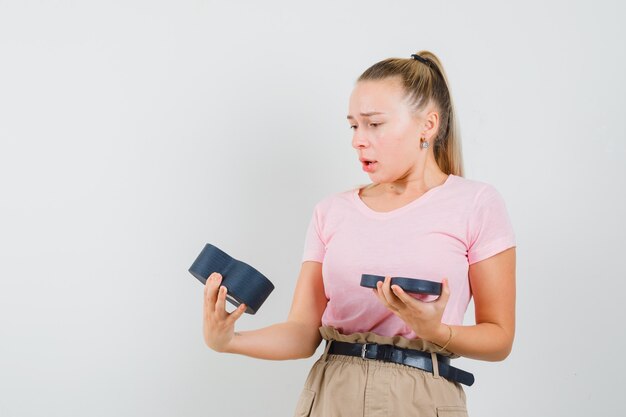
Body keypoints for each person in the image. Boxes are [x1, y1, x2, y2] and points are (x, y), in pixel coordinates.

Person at [202, 50, 517, 417]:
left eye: (374, 124)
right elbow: (304, 332)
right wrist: (229, 341)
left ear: (427, 125)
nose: (358, 140)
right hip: (331, 396)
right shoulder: (330, 212)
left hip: (421, 400)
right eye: (353, 125)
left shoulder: (476, 203)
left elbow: (499, 338)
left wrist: (437, 330)